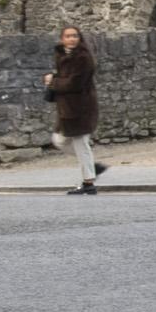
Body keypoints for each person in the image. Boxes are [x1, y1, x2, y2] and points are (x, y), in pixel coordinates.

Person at [46, 27, 100, 193]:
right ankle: (91, 167)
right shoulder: (62, 55)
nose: (72, 39)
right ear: (62, 39)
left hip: (81, 107)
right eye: (68, 36)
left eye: (75, 36)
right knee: (59, 141)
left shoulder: (83, 58)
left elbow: (74, 83)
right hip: (66, 107)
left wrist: (52, 83)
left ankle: (89, 183)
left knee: (81, 144)